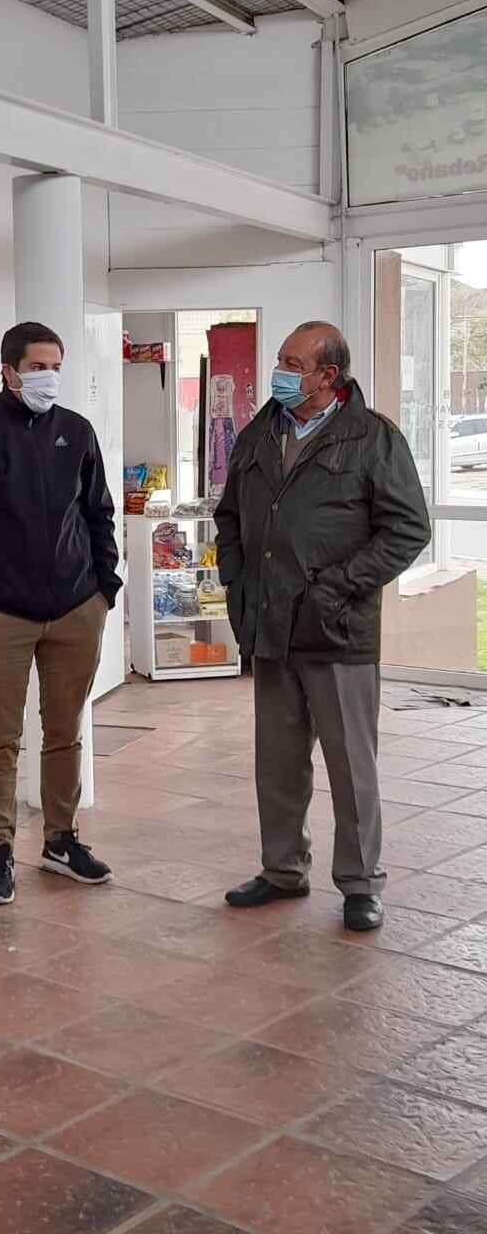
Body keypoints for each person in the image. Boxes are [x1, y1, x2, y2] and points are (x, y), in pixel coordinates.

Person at [215, 322, 430, 932]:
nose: (280, 371)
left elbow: (408, 529)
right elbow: (230, 515)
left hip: (339, 633)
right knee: (278, 764)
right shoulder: (263, 430)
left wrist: (339, 587)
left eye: (291, 362)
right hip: (272, 628)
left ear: (327, 376)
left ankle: (361, 884)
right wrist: (237, 583)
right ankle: (283, 870)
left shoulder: (372, 438)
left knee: (350, 767)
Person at [0, 321, 121, 905]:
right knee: (2, 737)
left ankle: (62, 840)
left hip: (75, 607)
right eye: (38, 367)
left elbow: (98, 514)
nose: (49, 377)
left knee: (65, 733)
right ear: (8, 370)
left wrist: (103, 588)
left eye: (56, 366)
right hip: (0, 615)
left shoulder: (78, 432)